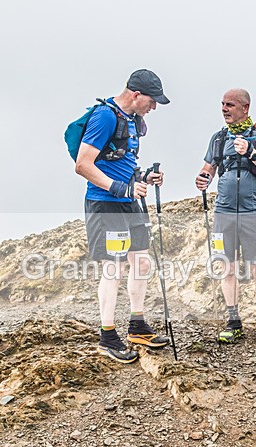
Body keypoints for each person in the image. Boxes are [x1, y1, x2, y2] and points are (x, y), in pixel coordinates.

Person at [74, 69, 171, 364]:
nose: (153, 108)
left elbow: (121, 164)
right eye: (152, 101)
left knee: (141, 262)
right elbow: (83, 165)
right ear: (136, 94)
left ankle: (137, 325)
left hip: (130, 204)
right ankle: (107, 336)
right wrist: (121, 188)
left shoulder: (132, 121)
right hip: (106, 205)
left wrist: (143, 177)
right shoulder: (105, 116)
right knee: (112, 270)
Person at [195, 89, 256, 347]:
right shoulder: (218, 138)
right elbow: (208, 168)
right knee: (227, 268)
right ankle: (233, 323)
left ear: (245, 107)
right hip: (223, 212)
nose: (224, 109)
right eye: (222, 104)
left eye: (230, 105)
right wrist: (203, 179)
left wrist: (252, 154)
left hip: (253, 212)